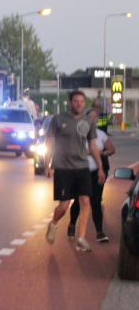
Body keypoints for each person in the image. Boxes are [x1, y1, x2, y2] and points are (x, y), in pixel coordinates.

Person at [44, 90, 105, 252]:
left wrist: (100, 167)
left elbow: (93, 145)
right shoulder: (58, 119)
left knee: (85, 201)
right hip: (63, 167)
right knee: (64, 206)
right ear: (69, 103)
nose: (79, 104)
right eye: (76, 101)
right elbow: (49, 142)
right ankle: (53, 224)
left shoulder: (88, 121)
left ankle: (81, 238)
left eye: (82, 101)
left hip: (82, 167)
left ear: (85, 104)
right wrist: (47, 164)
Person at [68, 108, 115, 242]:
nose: (93, 119)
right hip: (80, 172)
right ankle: (72, 224)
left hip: (96, 172)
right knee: (79, 201)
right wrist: (88, 152)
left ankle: (99, 233)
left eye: (95, 117)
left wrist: (102, 153)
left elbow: (112, 149)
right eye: (90, 116)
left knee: (96, 201)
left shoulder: (101, 134)